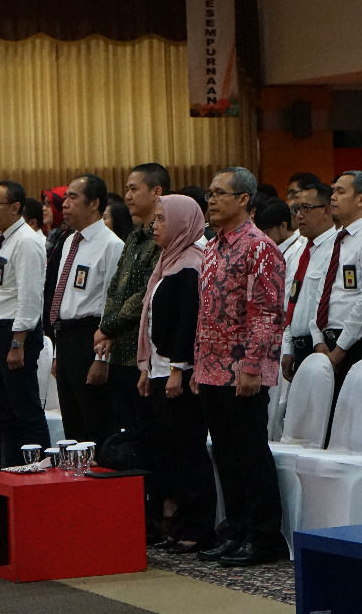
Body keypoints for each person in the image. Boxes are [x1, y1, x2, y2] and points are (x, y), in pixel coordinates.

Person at [195, 166, 286, 567]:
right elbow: (206, 312)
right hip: (211, 369)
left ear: (243, 199)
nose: (211, 200)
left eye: (219, 193)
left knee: (250, 454)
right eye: (210, 193)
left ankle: (264, 537)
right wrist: (199, 365)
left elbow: (267, 312)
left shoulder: (259, 246)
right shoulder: (212, 246)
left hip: (243, 370)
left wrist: (251, 366)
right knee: (226, 455)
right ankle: (235, 530)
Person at [136, 194, 216, 554]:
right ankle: (178, 520)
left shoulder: (191, 265)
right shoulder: (167, 262)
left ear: (182, 223)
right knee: (167, 450)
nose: (154, 226)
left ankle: (198, 526)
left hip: (178, 372)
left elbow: (188, 324)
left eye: (161, 219)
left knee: (189, 450)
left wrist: (176, 369)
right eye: (154, 219)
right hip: (158, 369)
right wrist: (146, 368)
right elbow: (154, 321)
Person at [0, 181, 51, 468]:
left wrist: (17, 342)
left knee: (25, 409)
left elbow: (30, 295)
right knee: (3, 410)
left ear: (15, 207)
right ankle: (10, 469)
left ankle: (39, 468)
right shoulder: (0, 241)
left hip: (15, 332)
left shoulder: (27, 241)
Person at [95, 163, 168, 444]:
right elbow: (115, 288)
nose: (127, 196)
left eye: (134, 189)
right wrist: (107, 329)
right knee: (124, 431)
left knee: (148, 433)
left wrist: (109, 327)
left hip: (145, 353)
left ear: (156, 191)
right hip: (120, 349)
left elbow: (146, 293)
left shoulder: (162, 238)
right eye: (126, 189)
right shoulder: (134, 237)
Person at [50, 174, 125, 446]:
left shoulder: (112, 245)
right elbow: (63, 298)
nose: (65, 204)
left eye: (73, 197)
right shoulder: (69, 241)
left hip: (91, 338)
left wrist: (101, 359)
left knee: (95, 421)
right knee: (72, 423)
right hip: (66, 338)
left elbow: (111, 306)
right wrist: (57, 354)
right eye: (65, 197)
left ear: (94, 204)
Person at [315, 171, 362, 405]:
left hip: (354, 342)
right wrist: (318, 339)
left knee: (350, 412)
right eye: (333, 191)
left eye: (340, 192)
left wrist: (339, 350)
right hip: (325, 340)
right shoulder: (335, 238)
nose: (333, 197)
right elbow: (321, 291)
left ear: (361, 199)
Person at [279, 183, 338, 378]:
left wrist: (318, 341)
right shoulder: (298, 251)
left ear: (326, 210)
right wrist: (288, 347)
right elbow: (291, 302)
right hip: (298, 346)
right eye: (297, 209)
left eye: (306, 208)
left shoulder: (337, 249)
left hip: (322, 346)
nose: (299, 215)